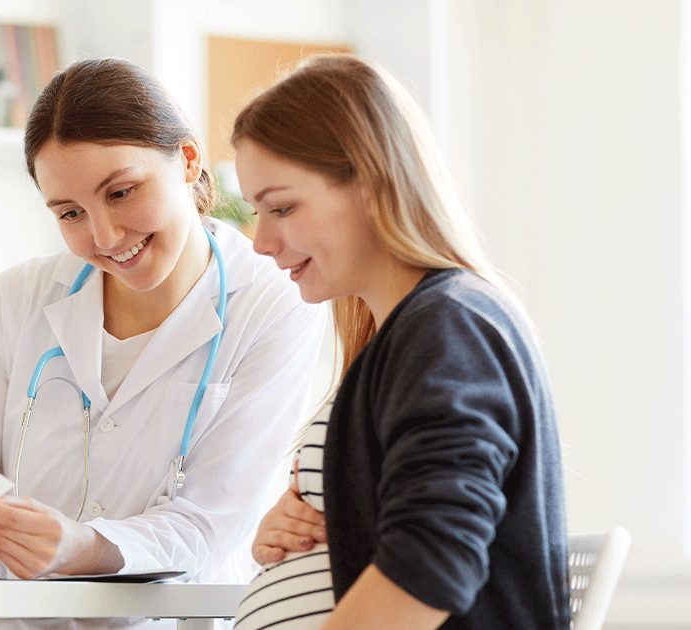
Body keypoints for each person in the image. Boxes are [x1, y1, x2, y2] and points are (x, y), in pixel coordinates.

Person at [0, 57, 325, 599]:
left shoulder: (271, 303)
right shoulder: (16, 300)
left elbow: (212, 527)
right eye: (69, 213)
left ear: (188, 159)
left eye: (121, 192)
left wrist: (80, 547)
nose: (106, 235)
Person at [230, 54, 570, 629]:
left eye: (281, 207)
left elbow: (434, 554)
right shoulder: (408, 335)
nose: (260, 242)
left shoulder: (447, 326)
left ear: (372, 179)